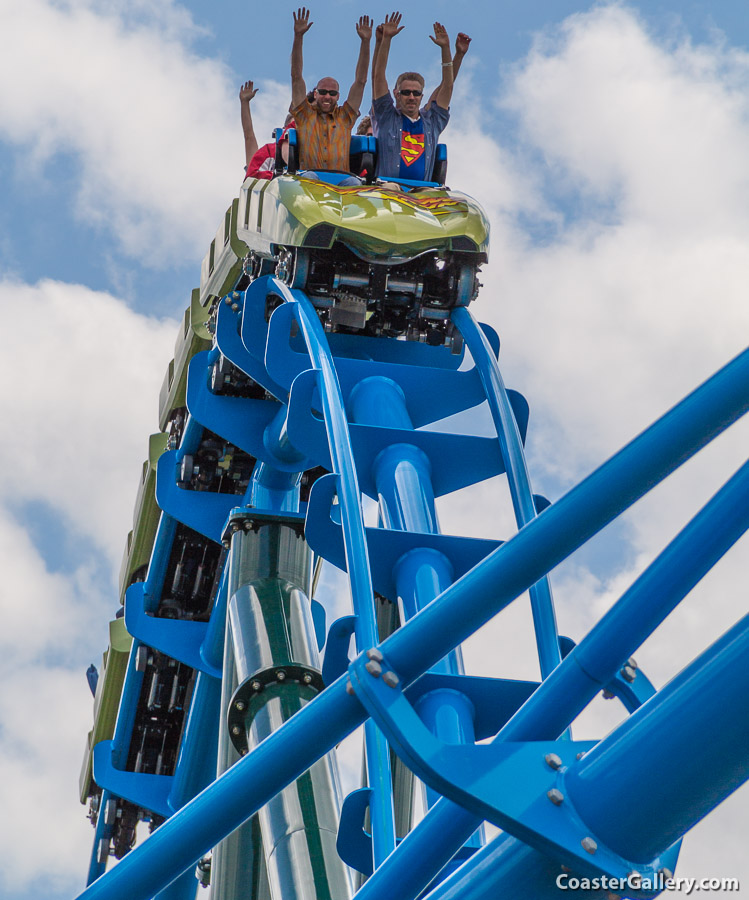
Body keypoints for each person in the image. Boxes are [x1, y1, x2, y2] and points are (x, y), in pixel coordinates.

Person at [370, 12, 454, 181]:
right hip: (389, 189)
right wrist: (386, 40)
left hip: (420, 194)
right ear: (397, 95)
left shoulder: (432, 121)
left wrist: (446, 48)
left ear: (421, 96)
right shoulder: (386, 115)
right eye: (405, 92)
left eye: (415, 93)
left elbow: (448, 85)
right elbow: (378, 76)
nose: (411, 97)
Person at [289, 7, 372, 171]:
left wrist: (365, 42)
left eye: (332, 93)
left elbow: (360, 81)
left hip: (341, 182)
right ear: (315, 93)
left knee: (355, 186)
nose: (327, 96)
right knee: (310, 178)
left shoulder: (345, 117)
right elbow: (296, 77)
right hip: (310, 179)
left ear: (338, 96)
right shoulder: (304, 114)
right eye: (323, 92)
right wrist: (298, 36)